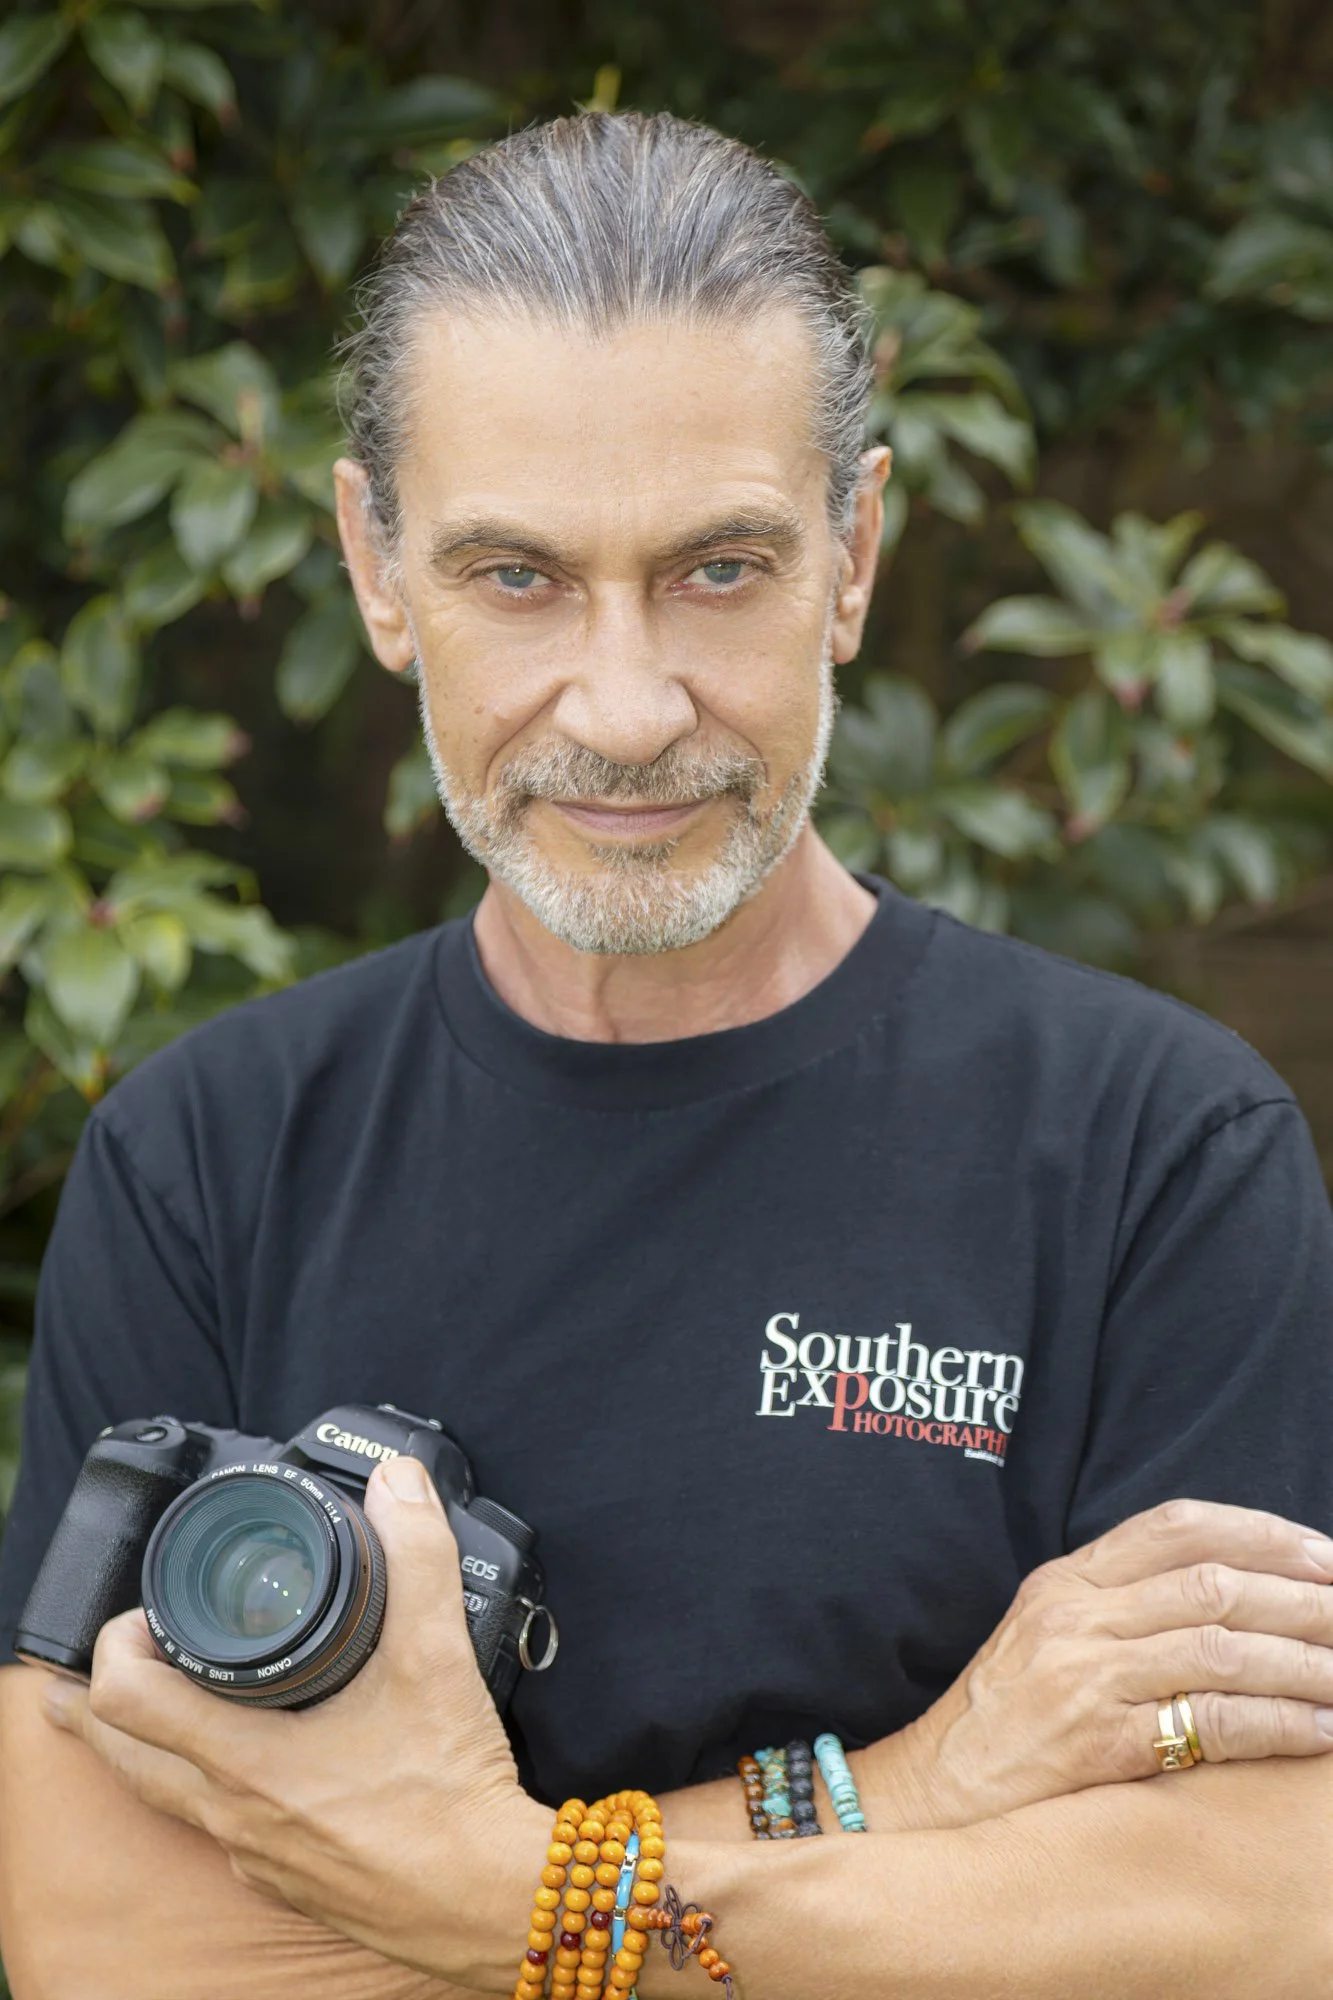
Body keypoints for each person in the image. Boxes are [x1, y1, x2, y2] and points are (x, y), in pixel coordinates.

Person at [0, 111, 1330, 2000]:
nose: (625, 708)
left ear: (853, 558)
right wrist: (911, 1788)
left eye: (717, 570)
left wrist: (459, 1894)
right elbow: (105, 1945)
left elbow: (1251, 1919)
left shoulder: (1160, 1155)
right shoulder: (203, 1162)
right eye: (518, 577)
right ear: (377, 572)